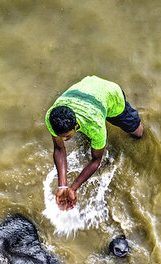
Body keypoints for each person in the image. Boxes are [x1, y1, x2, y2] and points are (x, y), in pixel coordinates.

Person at [46, 76, 145, 210]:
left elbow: (96, 160)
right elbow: (59, 149)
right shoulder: (51, 116)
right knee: (88, 137)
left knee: (138, 133)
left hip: (111, 93)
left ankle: (124, 119)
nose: (62, 140)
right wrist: (63, 186)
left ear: (75, 125)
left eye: (66, 137)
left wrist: (74, 188)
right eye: (60, 136)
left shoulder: (95, 127)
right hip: (87, 86)